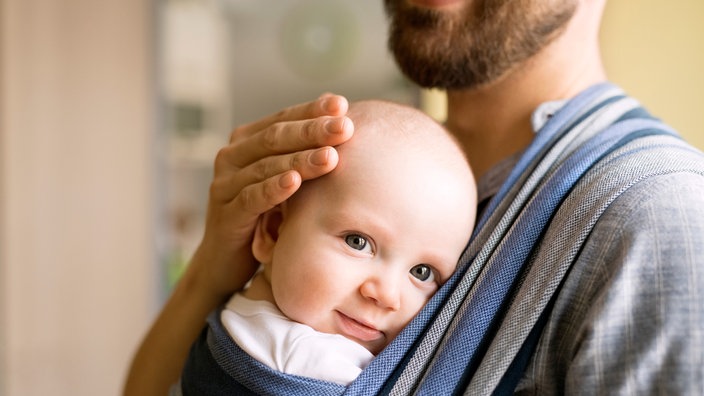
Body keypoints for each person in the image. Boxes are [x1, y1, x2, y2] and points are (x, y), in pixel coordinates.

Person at [124, 0, 704, 395]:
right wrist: (212, 274)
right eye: (357, 242)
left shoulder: (655, 217)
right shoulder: (369, 162)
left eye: (424, 272)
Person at [209, 100, 475, 389]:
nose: (386, 295)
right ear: (274, 232)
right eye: (358, 242)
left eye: (421, 272)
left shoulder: (239, 315)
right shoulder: (309, 362)